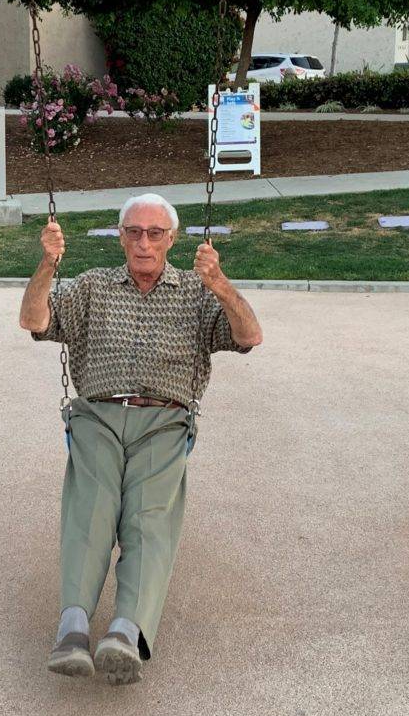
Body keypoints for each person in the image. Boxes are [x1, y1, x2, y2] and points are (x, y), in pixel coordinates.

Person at [19, 193, 263, 686]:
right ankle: (72, 630)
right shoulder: (91, 287)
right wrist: (47, 264)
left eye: (155, 233)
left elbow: (249, 335)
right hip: (97, 415)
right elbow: (35, 321)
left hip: (165, 418)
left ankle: (125, 634)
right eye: (133, 232)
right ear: (120, 236)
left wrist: (219, 284)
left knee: (149, 515)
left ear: (172, 239)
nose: (143, 243)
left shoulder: (195, 293)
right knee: (93, 503)